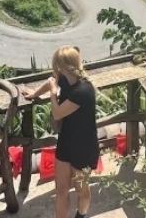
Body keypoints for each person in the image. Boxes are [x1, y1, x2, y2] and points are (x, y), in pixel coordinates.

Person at [22, 46, 97, 218]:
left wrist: (53, 94)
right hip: (66, 142)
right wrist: (35, 93)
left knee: (81, 189)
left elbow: (57, 113)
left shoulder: (83, 91)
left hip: (84, 149)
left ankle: (81, 215)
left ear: (62, 66)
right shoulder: (65, 78)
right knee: (61, 190)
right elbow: (51, 81)